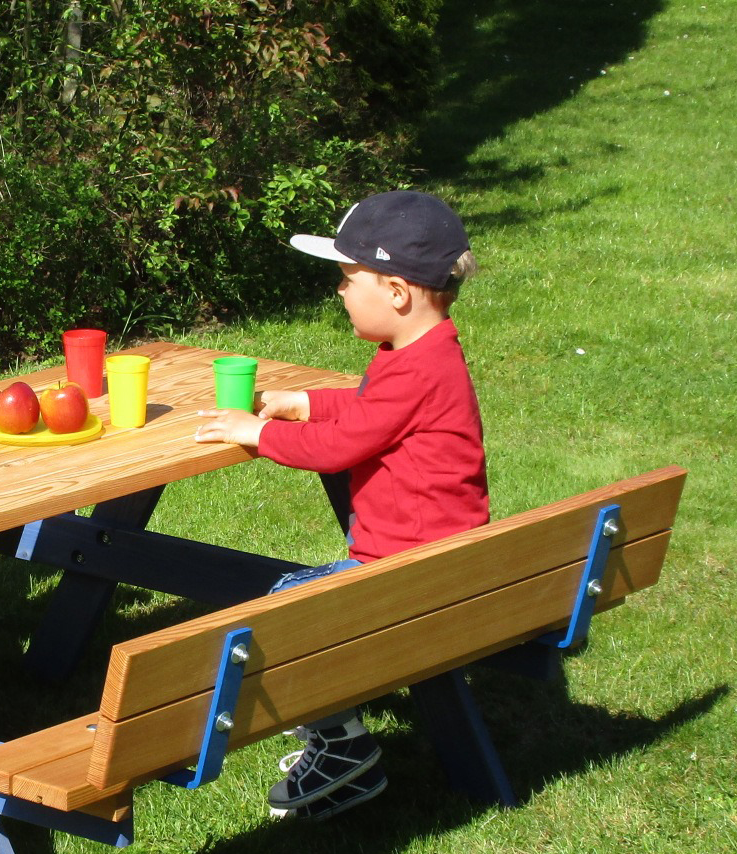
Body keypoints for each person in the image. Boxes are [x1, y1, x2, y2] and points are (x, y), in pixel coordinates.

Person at [194, 190, 488, 820]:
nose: (339, 292)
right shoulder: (422, 355)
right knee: (291, 599)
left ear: (397, 292)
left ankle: (340, 751)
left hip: (410, 575)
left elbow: (342, 447)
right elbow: (371, 414)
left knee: (281, 618)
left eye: (348, 279)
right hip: (447, 567)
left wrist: (257, 434)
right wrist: (307, 403)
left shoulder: (415, 370)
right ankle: (335, 741)